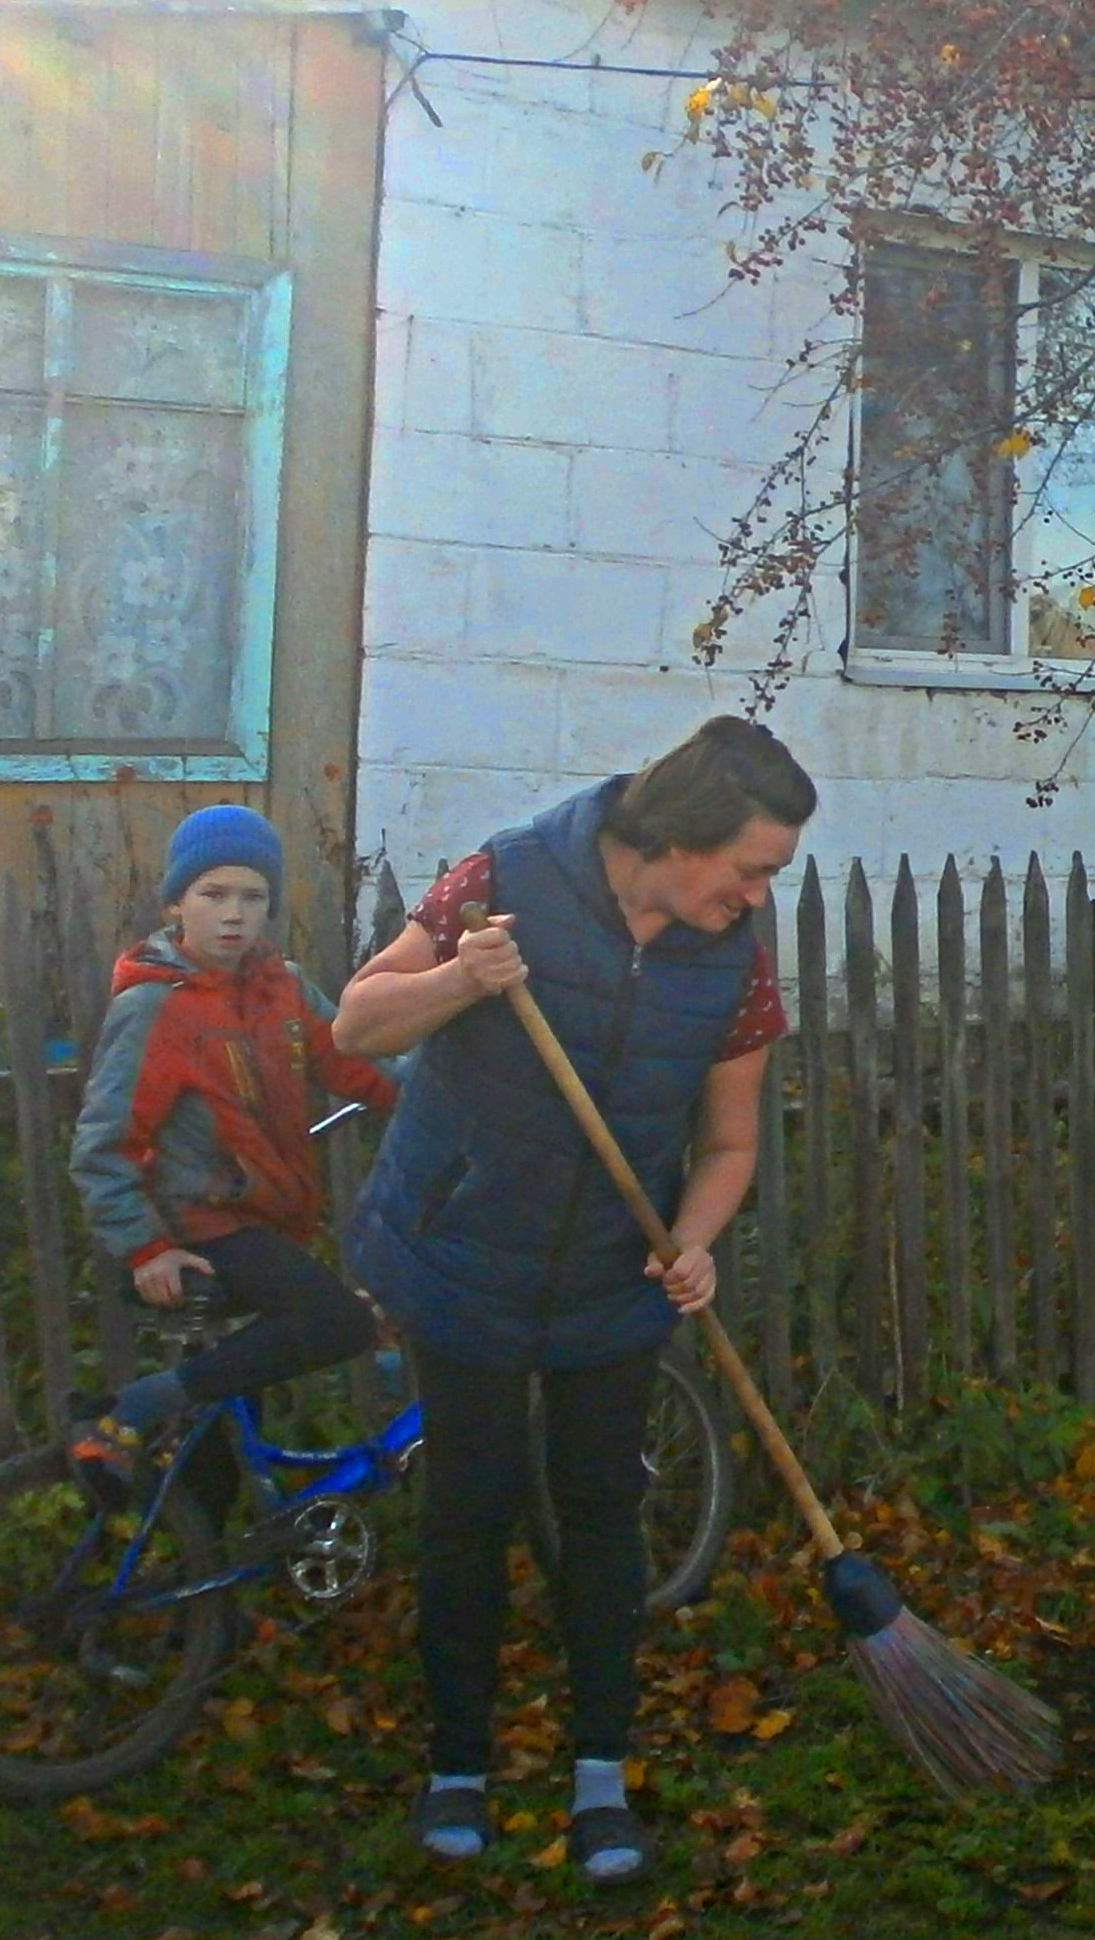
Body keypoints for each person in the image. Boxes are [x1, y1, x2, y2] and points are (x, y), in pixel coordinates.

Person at [337, 717, 811, 1886]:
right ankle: (459, 1767)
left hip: (611, 1274)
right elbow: (355, 1021)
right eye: (751, 868)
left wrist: (693, 1242)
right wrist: (461, 976)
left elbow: (731, 1140)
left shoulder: (732, 959)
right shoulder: (506, 880)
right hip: (463, 1257)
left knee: (602, 1513)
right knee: (471, 1508)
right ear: (682, 839)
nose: (757, 897)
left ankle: (599, 1771)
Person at [65, 806, 399, 1496]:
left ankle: (209, 1592)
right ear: (175, 901)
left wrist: (453, 1097)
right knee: (338, 1320)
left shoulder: (282, 987)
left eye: (253, 896)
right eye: (213, 894)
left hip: (263, 1223)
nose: (233, 915)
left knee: (215, 1447)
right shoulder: (157, 1006)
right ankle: (130, 1407)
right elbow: (102, 1143)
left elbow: (356, 1062)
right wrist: (144, 1247)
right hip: (201, 1224)